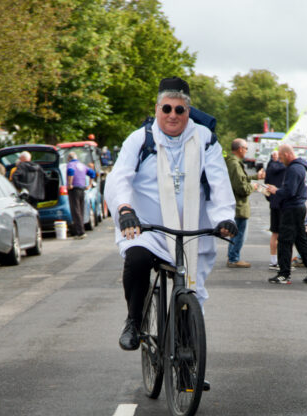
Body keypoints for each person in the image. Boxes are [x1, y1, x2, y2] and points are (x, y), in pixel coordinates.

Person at [104, 76, 237, 351]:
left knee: (192, 295)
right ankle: (134, 320)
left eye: (179, 109)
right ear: (157, 109)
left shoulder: (205, 139)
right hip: (147, 228)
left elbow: (219, 182)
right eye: (167, 109)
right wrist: (125, 209)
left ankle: (188, 359)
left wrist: (225, 217)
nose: (173, 115)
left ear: (188, 111)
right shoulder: (140, 139)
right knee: (137, 259)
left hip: (191, 232)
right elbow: (120, 178)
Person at [266, 144, 307, 285]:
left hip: (292, 208)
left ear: (287, 155)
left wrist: (275, 191)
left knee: (284, 241)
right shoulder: (301, 167)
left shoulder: (294, 169)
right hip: (299, 207)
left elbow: (290, 191)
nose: (281, 161)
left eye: (282, 157)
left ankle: (284, 274)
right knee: (301, 240)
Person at [225, 139, 254, 268]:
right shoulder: (235, 164)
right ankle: (234, 258)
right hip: (239, 205)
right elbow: (241, 187)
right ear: (240, 149)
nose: (247, 151)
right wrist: (253, 187)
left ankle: (232, 256)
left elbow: (240, 180)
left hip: (234, 203)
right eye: (246, 148)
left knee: (234, 232)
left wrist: (252, 179)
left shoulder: (232, 162)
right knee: (239, 233)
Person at [264, 150, 286, 269]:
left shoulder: (269, 168)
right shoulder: (286, 168)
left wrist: (270, 199)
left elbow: (266, 185)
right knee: (283, 234)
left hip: (274, 203)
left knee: (274, 233)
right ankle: (283, 260)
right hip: (283, 203)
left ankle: (273, 260)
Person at [66, 151, 96, 239]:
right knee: (81, 210)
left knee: (75, 210)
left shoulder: (70, 164)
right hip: (82, 189)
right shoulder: (82, 165)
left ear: (69, 158)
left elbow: (70, 171)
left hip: (74, 189)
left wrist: (70, 184)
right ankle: (79, 230)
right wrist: (90, 185)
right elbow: (92, 173)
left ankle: (80, 232)